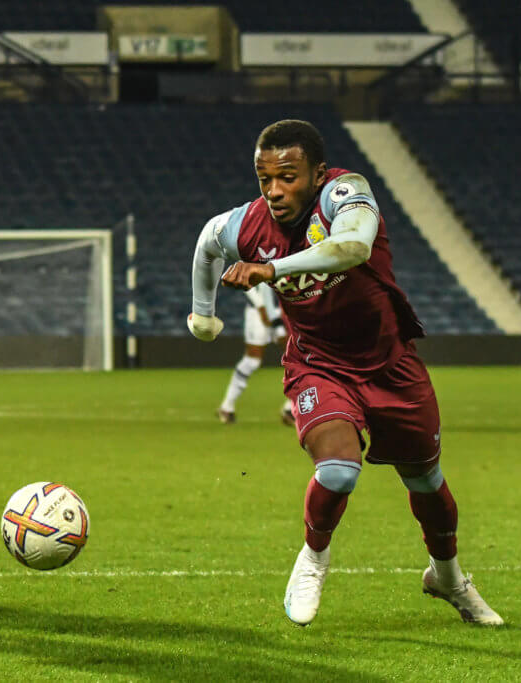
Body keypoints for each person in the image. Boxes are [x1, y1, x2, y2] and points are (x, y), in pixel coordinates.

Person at [188, 119, 502, 626]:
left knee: (426, 483)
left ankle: (447, 578)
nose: (273, 191)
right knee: (337, 469)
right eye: (264, 178)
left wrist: (272, 270)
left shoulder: (346, 192)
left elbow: (353, 246)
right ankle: (313, 559)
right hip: (318, 366)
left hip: (390, 364)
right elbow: (207, 243)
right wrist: (202, 314)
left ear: (316, 174)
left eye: (287, 177)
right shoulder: (246, 226)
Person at [217, 283, 295, 425]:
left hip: (283, 308)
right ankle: (227, 406)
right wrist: (261, 306)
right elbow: (247, 278)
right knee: (252, 360)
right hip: (258, 312)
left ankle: (291, 408)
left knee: (297, 357)